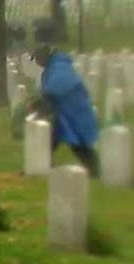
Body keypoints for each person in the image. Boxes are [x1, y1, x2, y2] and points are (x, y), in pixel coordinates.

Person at [33, 45, 100, 176]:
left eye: (38, 58)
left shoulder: (59, 67)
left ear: (46, 56)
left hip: (75, 112)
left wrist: (39, 103)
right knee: (50, 140)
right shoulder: (54, 66)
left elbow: (54, 89)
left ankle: (96, 170)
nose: (37, 61)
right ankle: (40, 167)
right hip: (64, 113)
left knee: (80, 145)